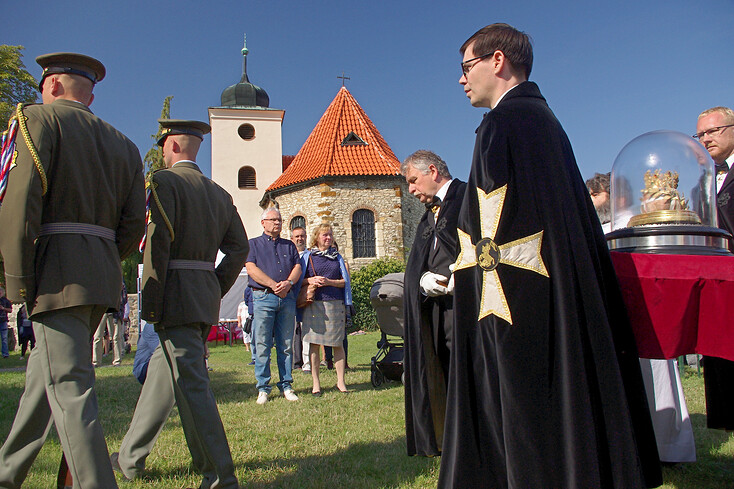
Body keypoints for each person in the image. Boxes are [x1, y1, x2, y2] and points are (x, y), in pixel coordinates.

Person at [439, 24, 661, 488]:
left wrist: (482, 299)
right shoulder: (542, 120)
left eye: (466, 67)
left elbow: (494, 234)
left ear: (497, 61)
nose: (461, 80)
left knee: (529, 396)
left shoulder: (505, 124)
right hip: (550, 283)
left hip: (519, 297)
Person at [0, 52, 145, 488]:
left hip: (55, 273)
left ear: (52, 86)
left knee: (70, 393)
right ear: (91, 94)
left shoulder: (38, 121)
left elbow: (20, 202)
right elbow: (134, 224)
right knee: (40, 392)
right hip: (100, 276)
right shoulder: (125, 144)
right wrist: (102, 256)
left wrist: (16, 277)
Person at [113, 119, 248, 488]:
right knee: (163, 379)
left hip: (174, 295)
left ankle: (221, 476)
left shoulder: (163, 183)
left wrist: (151, 304)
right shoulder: (219, 193)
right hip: (202, 295)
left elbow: (157, 246)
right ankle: (130, 459)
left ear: (169, 146)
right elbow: (239, 248)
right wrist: (214, 286)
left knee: (192, 387)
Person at [588, 170, 695, 462]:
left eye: (595, 194)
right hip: (617, 312)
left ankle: (669, 447)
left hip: (646, 311)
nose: (591, 201)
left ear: (612, 195)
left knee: (659, 378)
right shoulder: (596, 227)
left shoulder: (632, 224)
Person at [401, 150, 466, 457]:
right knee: (442, 367)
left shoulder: (468, 197)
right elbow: (421, 259)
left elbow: (485, 244)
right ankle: (452, 438)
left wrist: (464, 277)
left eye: (413, 181)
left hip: (467, 305)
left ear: (432, 171)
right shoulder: (428, 215)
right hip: (436, 308)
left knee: (468, 369)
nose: (411, 189)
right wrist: (423, 280)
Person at [695, 106, 734, 431]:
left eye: (713, 131)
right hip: (719, 285)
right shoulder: (705, 181)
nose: (706, 138)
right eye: (701, 134)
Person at [246, 207, 302, 404]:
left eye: (279, 220)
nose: (277, 223)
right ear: (263, 223)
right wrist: (273, 285)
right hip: (263, 298)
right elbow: (251, 268)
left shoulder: (289, 245)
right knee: (262, 344)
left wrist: (288, 284)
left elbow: (297, 266)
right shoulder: (253, 244)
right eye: (273, 220)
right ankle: (263, 388)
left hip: (286, 298)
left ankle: (286, 385)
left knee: (286, 344)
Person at [299, 223, 352, 396]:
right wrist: (311, 280)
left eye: (330, 235)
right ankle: (316, 384)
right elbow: (299, 280)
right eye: (324, 235)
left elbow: (345, 282)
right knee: (314, 344)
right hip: (314, 304)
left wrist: (329, 282)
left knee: (338, 343)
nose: (328, 238)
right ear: (317, 237)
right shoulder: (308, 257)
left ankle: (341, 382)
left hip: (335, 303)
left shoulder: (337, 257)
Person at [92, 282, 127, 366]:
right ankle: (96, 362)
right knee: (97, 337)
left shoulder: (118, 279)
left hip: (115, 311)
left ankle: (117, 361)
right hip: (101, 310)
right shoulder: (99, 280)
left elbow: (124, 297)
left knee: (116, 337)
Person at [291, 225, 308, 370]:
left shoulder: (311, 256)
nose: (299, 239)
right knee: (294, 330)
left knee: (306, 329)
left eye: (302, 236)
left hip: (306, 296)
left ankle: (307, 361)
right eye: (297, 236)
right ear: (292, 238)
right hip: (291, 296)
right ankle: (296, 362)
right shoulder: (288, 255)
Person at [0, 287, 12, 359]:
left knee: (4, 338)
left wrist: (3, 308)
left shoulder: (6, 301)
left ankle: (5, 354)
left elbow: (10, 310)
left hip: (3, 321)